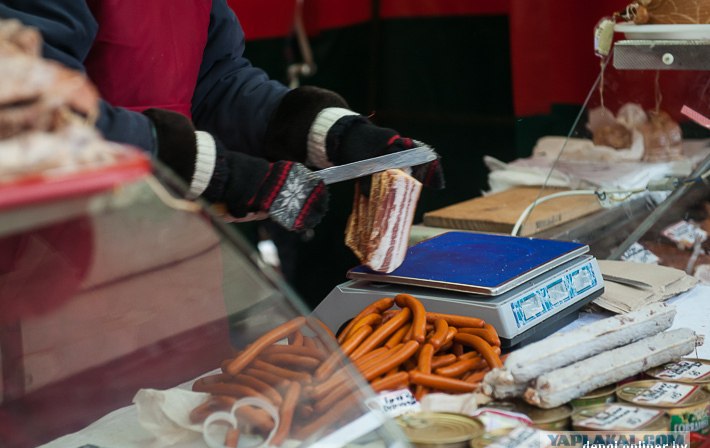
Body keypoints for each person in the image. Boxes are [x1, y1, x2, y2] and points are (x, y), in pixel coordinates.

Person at [0, 0, 443, 297]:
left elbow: (217, 82)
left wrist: (328, 130)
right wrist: (209, 169)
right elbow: (39, 111)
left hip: (175, 260)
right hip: (54, 273)